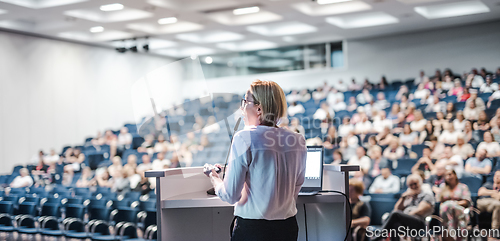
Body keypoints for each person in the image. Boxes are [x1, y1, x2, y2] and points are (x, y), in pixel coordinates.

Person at [207, 80, 307, 241]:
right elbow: (297, 185)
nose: (242, 108)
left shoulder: (244, 137)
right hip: (288, 228)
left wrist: (214, 177)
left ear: (259, 108)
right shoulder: (298, 140)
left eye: (245, 102)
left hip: (253, 230)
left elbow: (230, 196)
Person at [374, 174, 435, 241]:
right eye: (411, 185)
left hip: (419, 223)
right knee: (395, 224)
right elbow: (397, 208)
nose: (413, 186)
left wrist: (403, 216)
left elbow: (420, 210)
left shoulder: (426, 194)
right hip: (406, 223)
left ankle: (379, 236)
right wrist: (403, 198)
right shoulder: (408, 196)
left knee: (395, 214)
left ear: (420, 183)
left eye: (415, 184)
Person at [437, 170, 471, 240]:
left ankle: (452, 231)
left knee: (449, 206)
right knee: (446, 207)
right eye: (446, 175)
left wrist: (453, 204)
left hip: (459, 210)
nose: (448, 177)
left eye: (450, 174)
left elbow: (466, 202)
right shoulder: (442, 187)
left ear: (455, 175)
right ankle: (449, 232)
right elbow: (439, 201)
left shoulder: (463, 187)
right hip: (445, 212)